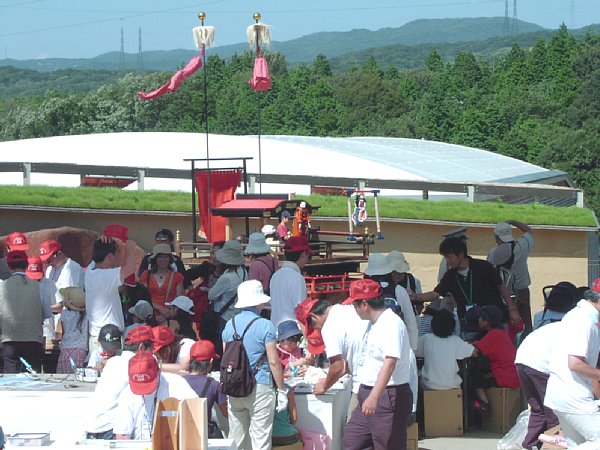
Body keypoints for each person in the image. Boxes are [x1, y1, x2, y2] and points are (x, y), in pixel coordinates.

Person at [342, 279, 413, 450]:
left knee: (387, 444)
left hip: (387, 394)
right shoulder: (373, 324)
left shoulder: (391, 323)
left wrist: (374, 396)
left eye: (355, 306)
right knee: (352, 443)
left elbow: (389, 363)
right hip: (369, 392)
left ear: (364, 304)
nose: (355, 310)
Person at [221, 279, 288, 450]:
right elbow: (273, 361)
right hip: (259, 386)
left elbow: (226, 356)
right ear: (259, 301)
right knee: (261, 439)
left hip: (234, 387)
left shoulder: (229, 325)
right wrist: (281, 390)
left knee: (236, 438)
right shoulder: (265, 325)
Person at [411, 237, 520, 326]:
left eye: (449, 257)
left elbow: (501, 287)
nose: (448, 262)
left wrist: (512, 309)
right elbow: (435, 293)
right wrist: (416, 297)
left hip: (494, 320)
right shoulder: (450, 276)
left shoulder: (483, 267)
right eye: (445, 258)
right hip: (469, 324)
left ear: (461, 254)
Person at [544, 280, 600, 449]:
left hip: (564, 393)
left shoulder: (579, 316)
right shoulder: (583, 321)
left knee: (579, 444)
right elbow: (575, 363)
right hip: (573, 395)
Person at [86, 325, 155, 440]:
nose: (153, 353)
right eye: (152, 348)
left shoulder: (113, 362)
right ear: (142, 347)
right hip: (111, 429)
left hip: (94, 427)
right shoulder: (137, 364)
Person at [114, 352, 197, 440]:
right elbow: (122, 435)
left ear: (159, 372)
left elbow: (197, 413)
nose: (144, 391)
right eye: (139, 385)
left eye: (147, 384)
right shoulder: (126, 394)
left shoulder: (177, 384)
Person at [515, 322, 563, 450]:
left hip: (522, 360)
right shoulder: (584, 331)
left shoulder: (559, 326)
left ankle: (529, 445)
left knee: (538, 409)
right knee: (554, 410)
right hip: (540, 365)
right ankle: (553, 446)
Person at [85, 235, 137, 352]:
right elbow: (130, 268)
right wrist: (128, 247)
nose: (119, 260)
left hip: (99, 336)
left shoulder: (90, 271)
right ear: (109, 256)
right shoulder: (104, 276)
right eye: (118, 255)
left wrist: (100, 241)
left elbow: (95, 259)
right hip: (108, 339)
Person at [363, 253, 418, 351]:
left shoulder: (363, 291)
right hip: (396, 341)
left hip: (372, 343)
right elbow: (410, 321)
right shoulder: (399, 290)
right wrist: (412, 347)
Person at [0, 250, 44, 373]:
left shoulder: (2, 287)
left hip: (10, 340)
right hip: (33, 339)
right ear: (26, 266)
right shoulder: (39, 286)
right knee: (31, 378)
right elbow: (47, 312)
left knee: (11, 379)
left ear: (8, 267)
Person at [470, 305, 520, 412]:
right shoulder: (501, 333)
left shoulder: (493, 335)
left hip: (504, 377)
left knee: (474, 379)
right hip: (513, 375)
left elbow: (474, 352)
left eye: (480, 317)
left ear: (486, 322)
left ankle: (484, 404)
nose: (478, 319)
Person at [491, 220, 534, 332]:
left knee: (504, 328)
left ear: (497, 237)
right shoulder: (523, 246)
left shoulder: (493, 253)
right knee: (526, 328)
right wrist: (513, 222)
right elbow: (529, 231)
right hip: (522, 292)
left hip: (503, 295)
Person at [416, 309, 475, 390]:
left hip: (429, 386)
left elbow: (414, 350)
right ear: (452, 326)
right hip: (452, 386)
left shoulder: (426, 339)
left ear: (433, 325)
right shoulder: (455, 340)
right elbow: (474, 352)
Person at [207, 239, 248, 350]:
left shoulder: (227, 277)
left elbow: (211, 295)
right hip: (237, 314)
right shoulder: (243, 272)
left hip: (224, 317)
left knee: (221, 347)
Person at [183, 340, 228, 438]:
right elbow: (227, 413)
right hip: (203, 435)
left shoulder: (179, 381)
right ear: (211, 362)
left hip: (182, 433)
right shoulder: (214, 385)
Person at [269, 236, 311, 327]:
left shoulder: (275, 275)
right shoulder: (297, 278)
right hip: (292, 333)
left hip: (275, 328)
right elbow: (301, 310)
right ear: (303, 254)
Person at [140, 243, 184, 318]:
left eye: (166, 257)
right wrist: (160, 309)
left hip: (170, 315)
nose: (163, 260)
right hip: (149, 314)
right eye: (160, 257)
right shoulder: (145, 275)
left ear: (170, 259)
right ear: (155, 259)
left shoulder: (177, 276)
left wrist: (172, 313)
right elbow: (143, 297)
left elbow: (179, 299)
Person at [39, 239, 84, 312]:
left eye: (50, 260)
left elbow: (71, 301)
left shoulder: (72, 268)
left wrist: (46, 309)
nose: (49, 263)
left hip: (70, 315)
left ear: (59, 253)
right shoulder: (50, 270)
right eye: (46, 261)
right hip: (53, 315)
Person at [56, 287, 89, 373]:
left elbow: (61, 333)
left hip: (65, 350)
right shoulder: (87, 315)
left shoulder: (64, 313)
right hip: (81, 351)